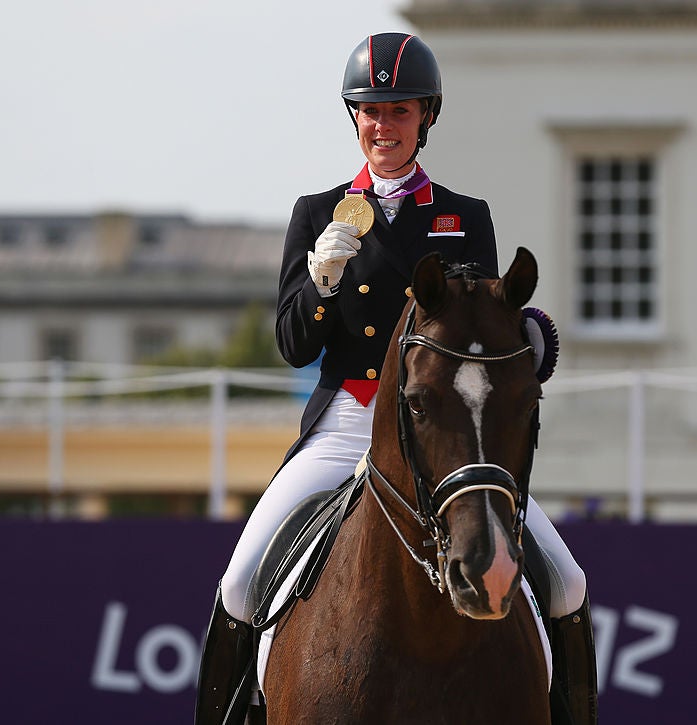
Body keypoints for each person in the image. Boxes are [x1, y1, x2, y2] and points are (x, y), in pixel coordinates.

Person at [196, 32, 598, 725]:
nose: (384, 127)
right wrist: (322, 283)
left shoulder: (464, 218)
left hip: (438, 431)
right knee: (238, 583)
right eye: (371, 112)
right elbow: (294, 343)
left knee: (567, 582)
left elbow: (479, 328)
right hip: (344, 424)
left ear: (426, 118)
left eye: (400, 111)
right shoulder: (315, 214)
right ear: (355, 118)